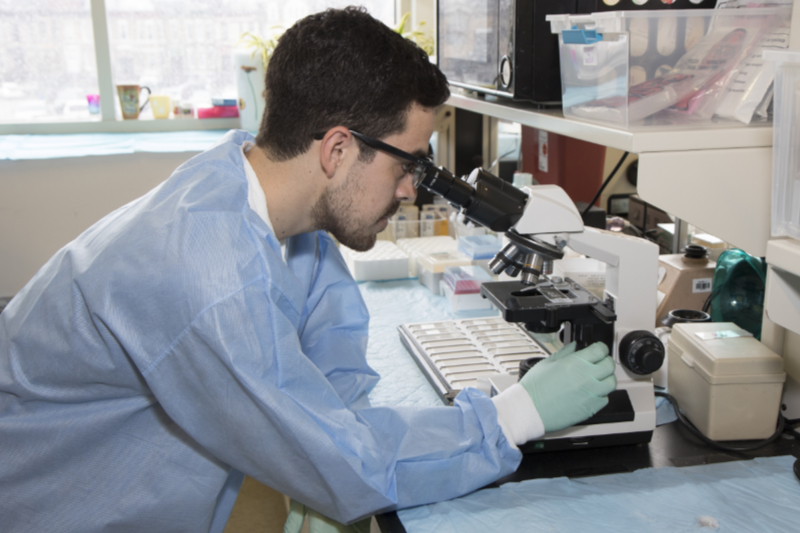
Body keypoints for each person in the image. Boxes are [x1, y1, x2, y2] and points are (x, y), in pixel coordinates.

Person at [0, 7, 616, 533]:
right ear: (338, 149)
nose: (410, 191)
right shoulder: (208, 274)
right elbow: (339, 460)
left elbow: (335, 381)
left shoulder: (267, 201)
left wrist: (353, 443)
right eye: (409, 165)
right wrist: (513, 415)